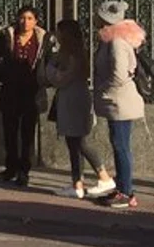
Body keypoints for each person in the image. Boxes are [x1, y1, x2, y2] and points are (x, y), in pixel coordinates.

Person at [43, 19, 115, 199]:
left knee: (79, 141)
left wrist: (49, 66)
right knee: (75, 142)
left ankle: (101, 177)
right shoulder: (72, 53)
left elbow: (60, 78)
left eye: (59, 32)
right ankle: (79, 182)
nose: (56, 35)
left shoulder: (72, 55)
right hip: (74, 97)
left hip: (72, 99)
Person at [92, 0, 146, 209]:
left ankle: (126, 191)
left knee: (121, 146)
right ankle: (123, 187)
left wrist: (104, 88)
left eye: (98, 16)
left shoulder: (116, 42)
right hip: (117, 100)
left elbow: (119, 74)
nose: (94, 20)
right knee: (119, 144)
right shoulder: (115, 40)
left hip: (119, 101)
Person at [0, 5, 48, 187]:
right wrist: (3, 74)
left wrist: (44, 78)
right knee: (10, 132)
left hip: (32, 91)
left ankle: (24, 171)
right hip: (11, 90)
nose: (25, 22)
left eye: (29, 18)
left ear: (36, 21)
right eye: (22, 18)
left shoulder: (43, 39)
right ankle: (10, 168)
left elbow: (50, 62)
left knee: (28, 133)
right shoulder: (8, 36)